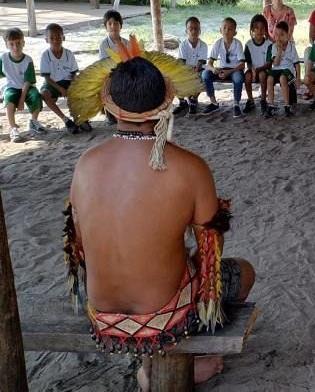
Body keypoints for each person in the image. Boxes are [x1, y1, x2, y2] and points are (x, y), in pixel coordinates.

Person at [64, 42, 255, 390]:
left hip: (102, 314)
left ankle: (149, 364)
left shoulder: (85, 165)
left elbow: (78, 247)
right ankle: (185, 363)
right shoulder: (190, 168)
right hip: (163, 316)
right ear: (166, 103)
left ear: (109, 105)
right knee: (242, 274)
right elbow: (211, 250)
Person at [1, 28, 46, 142]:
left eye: (18, 43)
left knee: (36, 96)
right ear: (6, 45)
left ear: (23, 43)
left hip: (27, 87)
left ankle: (33, 121)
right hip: (11, 86)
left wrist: (21, 99)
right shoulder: (3, 59)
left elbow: (27, 82)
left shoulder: (28, 60)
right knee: (9, 99)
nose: (15, 47)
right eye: (11, 44)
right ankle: (13, 128)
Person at [39, 23, 82, 134]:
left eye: (58, 38)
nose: (55, 41)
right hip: (52, 83)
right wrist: (61, 89)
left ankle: (79, 118)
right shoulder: (45, 56)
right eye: (51, 38)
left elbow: (73, 74)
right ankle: (65, 120)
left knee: (81, 89)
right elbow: (47, 78)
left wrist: (72, 86)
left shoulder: (69, 54)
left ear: (63, 38)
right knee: (44, 94)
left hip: (68, 81)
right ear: (46, 40)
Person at [201, 18, 245, 118]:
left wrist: (229, 72)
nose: (226, 31)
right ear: (220, 30)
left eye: (230, 29)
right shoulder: (218, 43)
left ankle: (236, 104)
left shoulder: (237, 44)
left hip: (235, 70)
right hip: (222, 70)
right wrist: (213, 69)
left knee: (238, 78)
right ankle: (213, 103)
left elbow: (242, 65)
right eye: (224, 28)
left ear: (235, 33)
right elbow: (210, 63)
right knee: (205, 74)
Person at [99, 10, 130, 124]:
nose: (113, 26)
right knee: (106, 83)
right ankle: (109, 112)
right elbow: (104, 64)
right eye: (110, 23)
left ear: (121, 25)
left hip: (125, 72)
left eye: (116, 23)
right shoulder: (103, 45)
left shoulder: (127, 43)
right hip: (109, 73)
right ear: (106, 27)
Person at [173, 16, 208, 116]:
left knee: (204, 77)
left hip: (198, 69)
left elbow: (200, 63)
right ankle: (182, 102)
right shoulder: (183, 45)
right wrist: (188, 72)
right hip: (185, 69)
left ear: (200, 30)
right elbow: (182, 63)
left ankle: (193, 99)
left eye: (196, 28)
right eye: (190, 28)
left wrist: (194, 72)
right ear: (186, 31)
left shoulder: (203, 45)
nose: (193, 31)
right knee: (173, 77)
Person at [264, 21, 299, 118]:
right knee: (269, 79)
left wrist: (298, 78)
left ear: (287, 35)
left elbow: (297, 64)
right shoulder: (274, 47)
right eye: (277, 35)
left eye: (282, 35)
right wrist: (279, 51)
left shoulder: (292, 47)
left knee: (283, 78)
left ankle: (287, 105)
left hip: (287, 70)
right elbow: (275, 63)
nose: (279, 37)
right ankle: (271, 105)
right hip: (277, 69)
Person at [242, 14, 272, 114]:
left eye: (262, 28)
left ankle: (263, 99)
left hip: (264, 69)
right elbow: (248, 62)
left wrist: (258, 70)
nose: (259, 30)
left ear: (265, 30)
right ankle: (250, 100)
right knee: (247, 77)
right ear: (252, 29)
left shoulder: (268, 44)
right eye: (256, 28)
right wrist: (252, 70)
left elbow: (269, 64)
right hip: (253, 69)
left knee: (262, 75)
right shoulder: (248, 44)